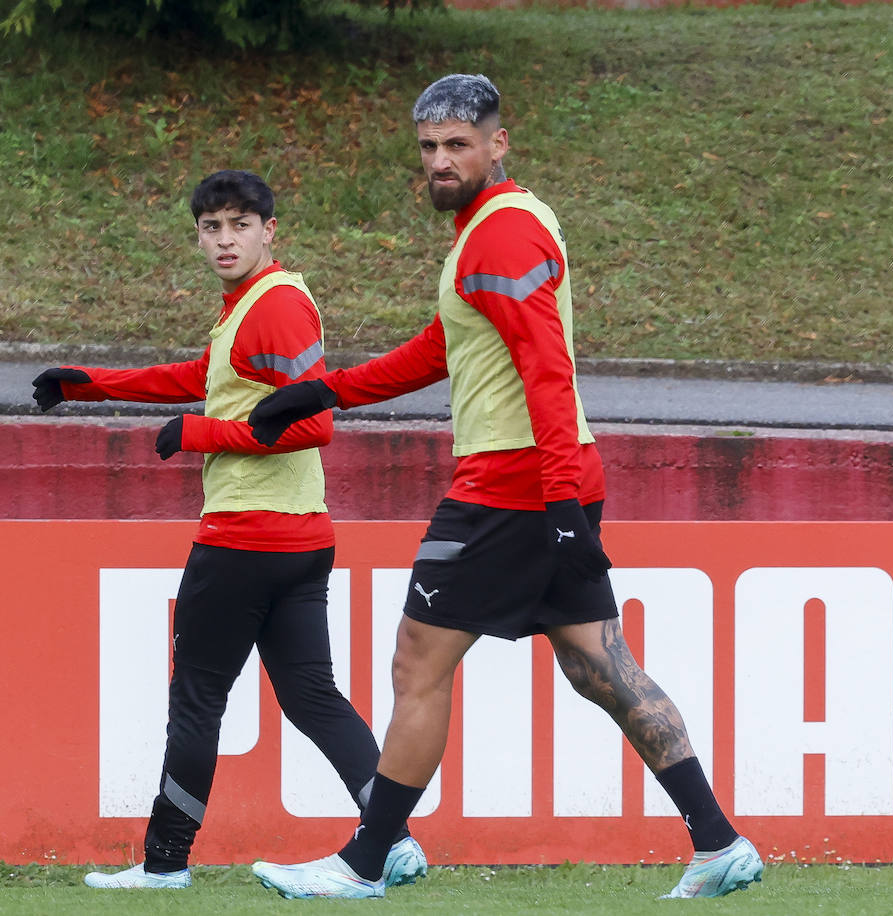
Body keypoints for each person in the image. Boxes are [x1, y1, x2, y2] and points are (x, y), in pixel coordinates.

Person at [245, 76, 763, 900]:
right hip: (547, 478)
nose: (441, 162)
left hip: (514, 484)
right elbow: (444, 348)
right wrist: (329, 389)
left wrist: (558, 504)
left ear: (498, 142)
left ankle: (365, 864)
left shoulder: (501, 236)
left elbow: (546, 371)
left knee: (419, 661)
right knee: (599, 666)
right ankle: (718, 840)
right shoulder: (499, 224)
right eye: (428, 148)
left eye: (458, 145)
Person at [31, 170, 426, 891]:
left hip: (242, 538)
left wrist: (198, 432)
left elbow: (314, 424)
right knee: (312, 697)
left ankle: (163, 865)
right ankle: (391, 839)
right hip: (302, 538)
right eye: (211, 227)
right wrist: (90, 383)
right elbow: (208, 375)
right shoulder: (253, 305)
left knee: (197, 699)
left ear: (269, 231)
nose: (224, 239)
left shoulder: (272, 306)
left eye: (239, 224)